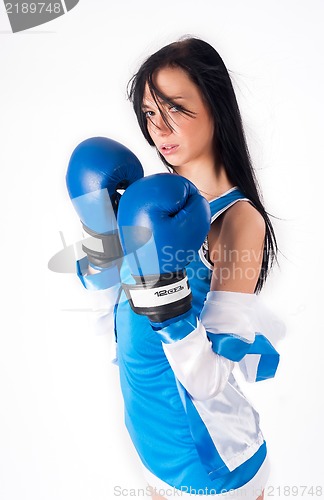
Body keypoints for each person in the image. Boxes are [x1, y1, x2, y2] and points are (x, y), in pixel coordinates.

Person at [66, 37, 285, 499]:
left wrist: (160, 287)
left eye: (175, 108)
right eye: (150, 113)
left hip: (209, 458)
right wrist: (103, 233)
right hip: (150, 438)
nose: (160, 128)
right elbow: (116, 330)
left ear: (216, 107)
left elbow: (209, 379)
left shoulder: (237, 219)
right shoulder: (153, 201)